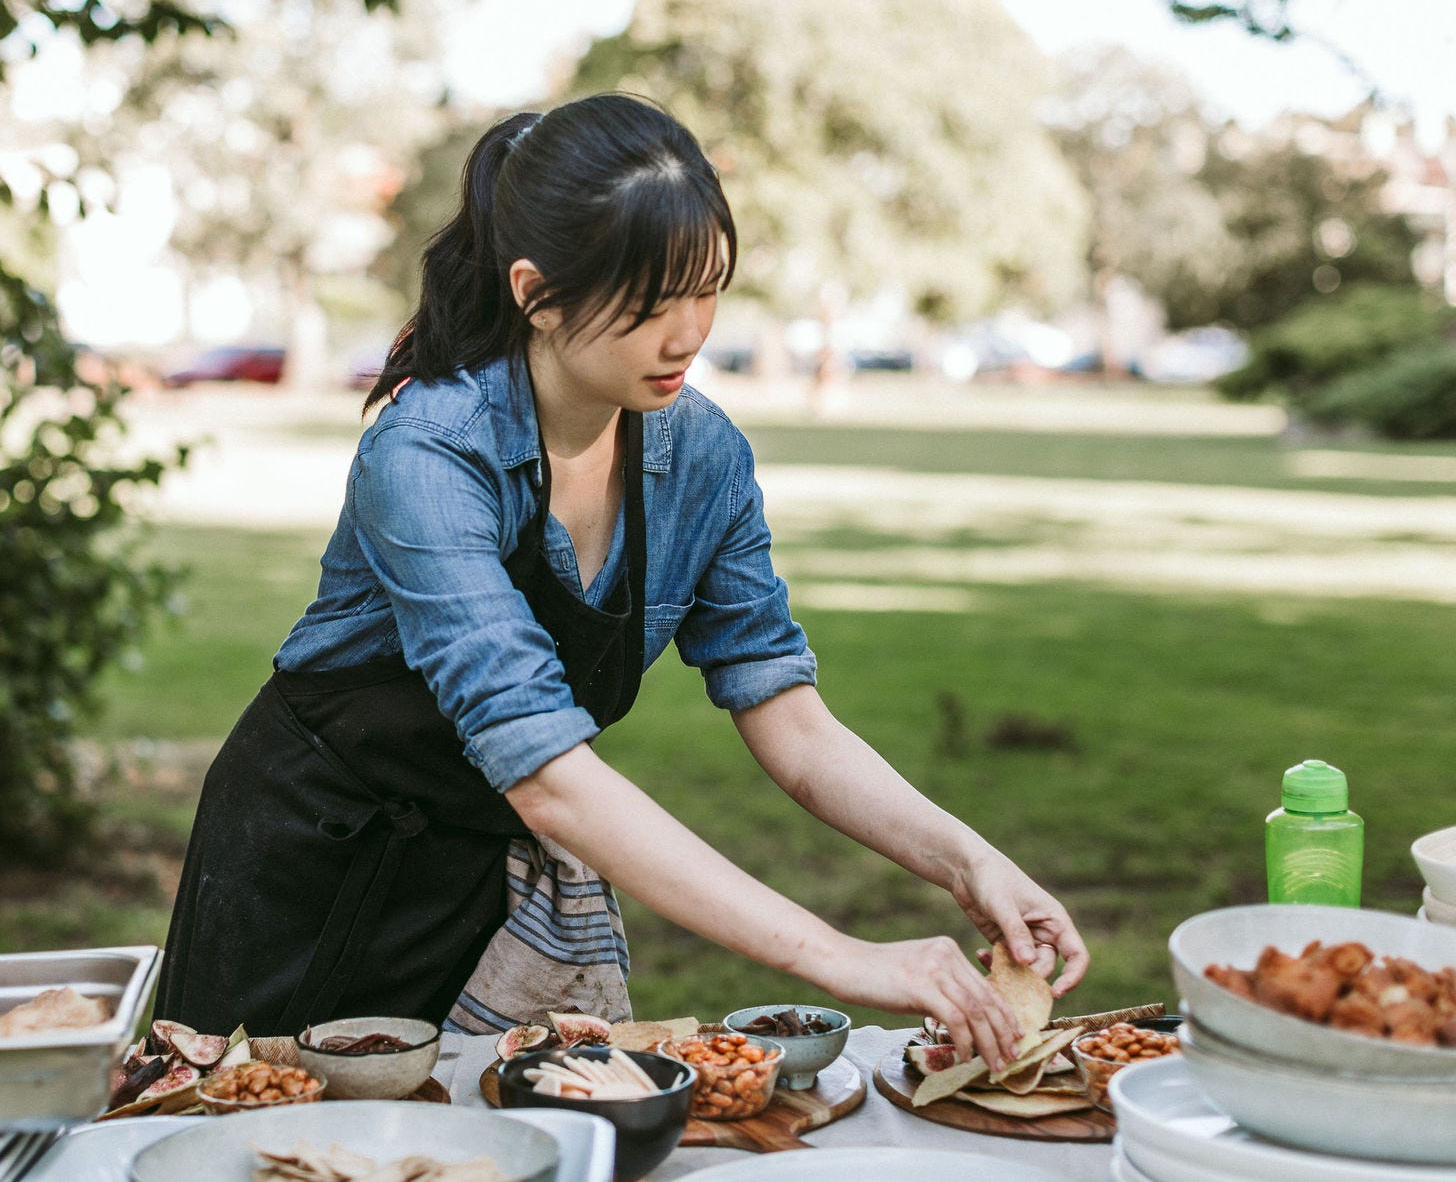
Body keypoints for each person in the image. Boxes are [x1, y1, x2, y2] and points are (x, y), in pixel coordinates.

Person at [156, 94, 1087, 1072]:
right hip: (301, 868)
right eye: (647, 303)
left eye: (704, 290)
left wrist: (968, 862)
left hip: (477, 879)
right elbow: (552, 783)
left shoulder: (702, 460)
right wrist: (844, 959)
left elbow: (787, 714)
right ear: (536, 292)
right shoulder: (428, 452)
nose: (686, 334)